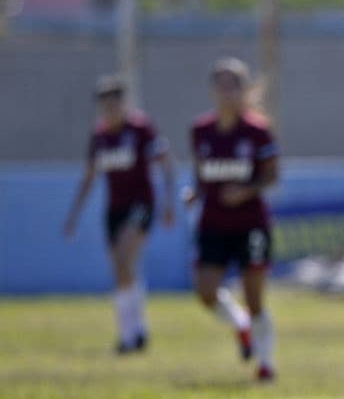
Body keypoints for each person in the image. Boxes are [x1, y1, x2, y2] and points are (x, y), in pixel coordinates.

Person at [63, 75, 175, 353]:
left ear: (124, 103)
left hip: (141, 204)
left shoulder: (140, 129)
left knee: (125, 257)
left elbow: (165, 163)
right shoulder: (99, 136)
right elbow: (89, 176)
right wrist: (74, 214)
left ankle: (130, 338)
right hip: (114, 208)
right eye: (105, 104)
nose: (111, 109)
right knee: (120, 270)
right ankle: (133, 331)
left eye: (115, 102)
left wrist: (169, 202)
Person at [184, 58, 280, 382]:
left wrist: (246, 191)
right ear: (211, 91)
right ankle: (240, 326)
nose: (227, 92)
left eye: (234, 85)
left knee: (255, 298)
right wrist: (195, 193)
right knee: (205, 291)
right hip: (213, 222)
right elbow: (202, 175)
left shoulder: (257, 131)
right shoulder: (200, 131)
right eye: (221, 85)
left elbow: (272, 176)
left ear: (244, 90)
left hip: (251, 224)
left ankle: (265, 363)